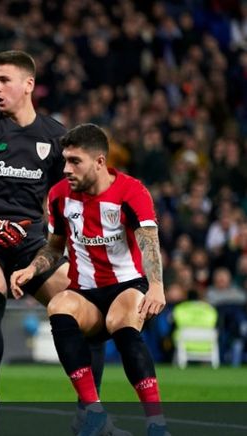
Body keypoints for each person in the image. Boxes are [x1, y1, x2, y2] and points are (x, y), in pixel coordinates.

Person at [0, 51, 120, 435]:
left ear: (28, 85)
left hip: (30, 241)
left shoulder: (55, 138)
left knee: (87, 311)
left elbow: (72, 193)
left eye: (4, 80)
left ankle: (89, 415)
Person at [11, 124, 169, 436]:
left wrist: (157, 286)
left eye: (75, 162)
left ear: (99, 162)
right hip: (84, 291)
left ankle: (156, 423)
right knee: (58, 306)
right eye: (65, 161)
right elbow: (55, 245)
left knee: (122, 326)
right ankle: (93, 410)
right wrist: (33, 268)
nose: (66, 169)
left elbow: (149, 241)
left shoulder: (131, 191)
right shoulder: (58, 196)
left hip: (127, 286)